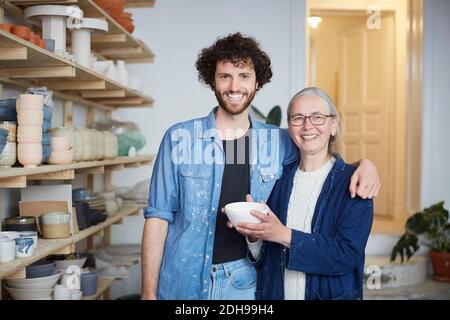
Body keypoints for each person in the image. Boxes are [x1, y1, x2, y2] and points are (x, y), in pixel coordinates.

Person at [141, 33, 379, 300]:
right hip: (182, 279)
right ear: (213, 80)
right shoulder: (179, 138)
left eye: (244, 76)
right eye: (225, 76)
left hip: (243, 284)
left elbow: (320, 153)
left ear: (257, 83)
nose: (235, 85)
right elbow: (158, 217)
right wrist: (147, 294)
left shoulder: (277, 141)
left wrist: (364, 165)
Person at [234, 87, 374, 300]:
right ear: (289, 127)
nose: (308, 126)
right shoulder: (277, 180)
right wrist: (255, 236)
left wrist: (283, 234)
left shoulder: (355, 183)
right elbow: (265, 258)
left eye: (318, 117)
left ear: (333, 125)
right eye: (298, 118)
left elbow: (346, 255)